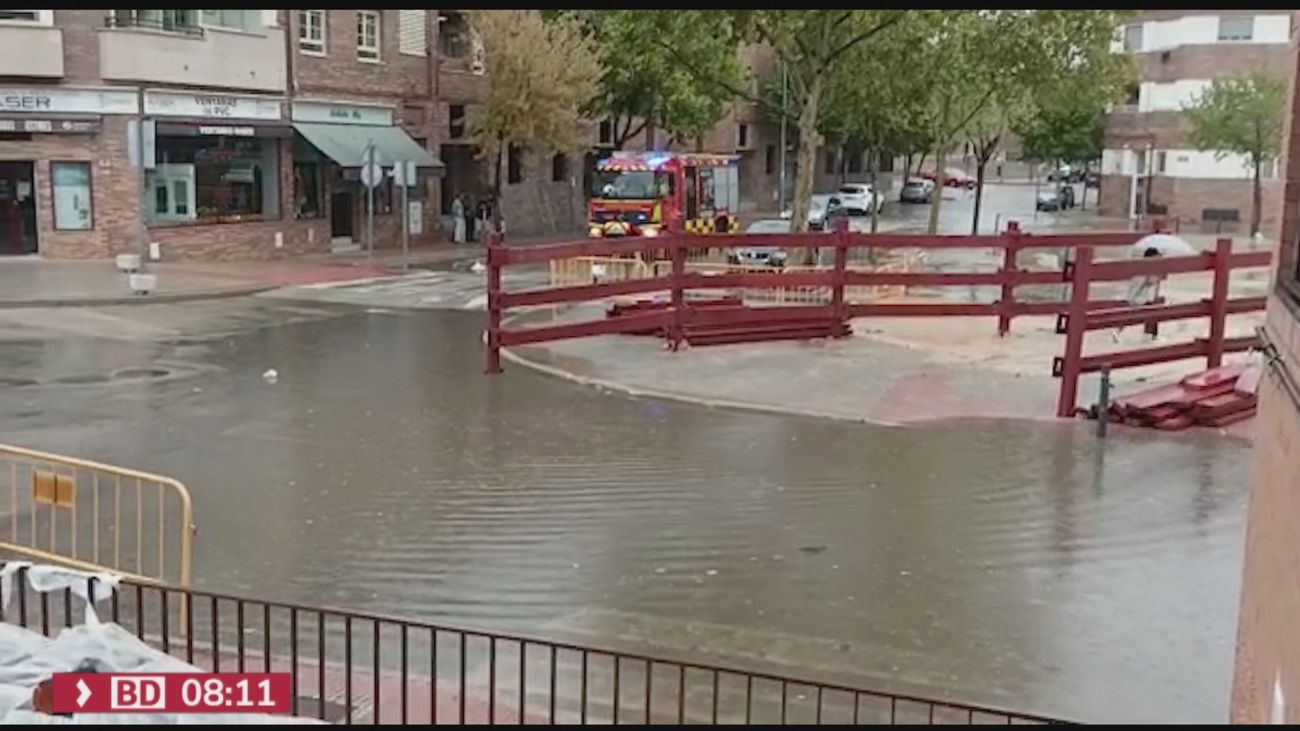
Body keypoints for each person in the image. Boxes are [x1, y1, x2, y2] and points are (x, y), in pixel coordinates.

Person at [1113, 245, 1165, 343]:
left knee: (1144, 315)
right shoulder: (1145, 268)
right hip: (1139, 299)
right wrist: (1158, 276)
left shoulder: (1143, 267)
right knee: (1135, 317)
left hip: (1139, 298)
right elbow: (1149, 281)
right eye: (1156, 257)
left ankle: (1152, 335)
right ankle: (1151, 336)